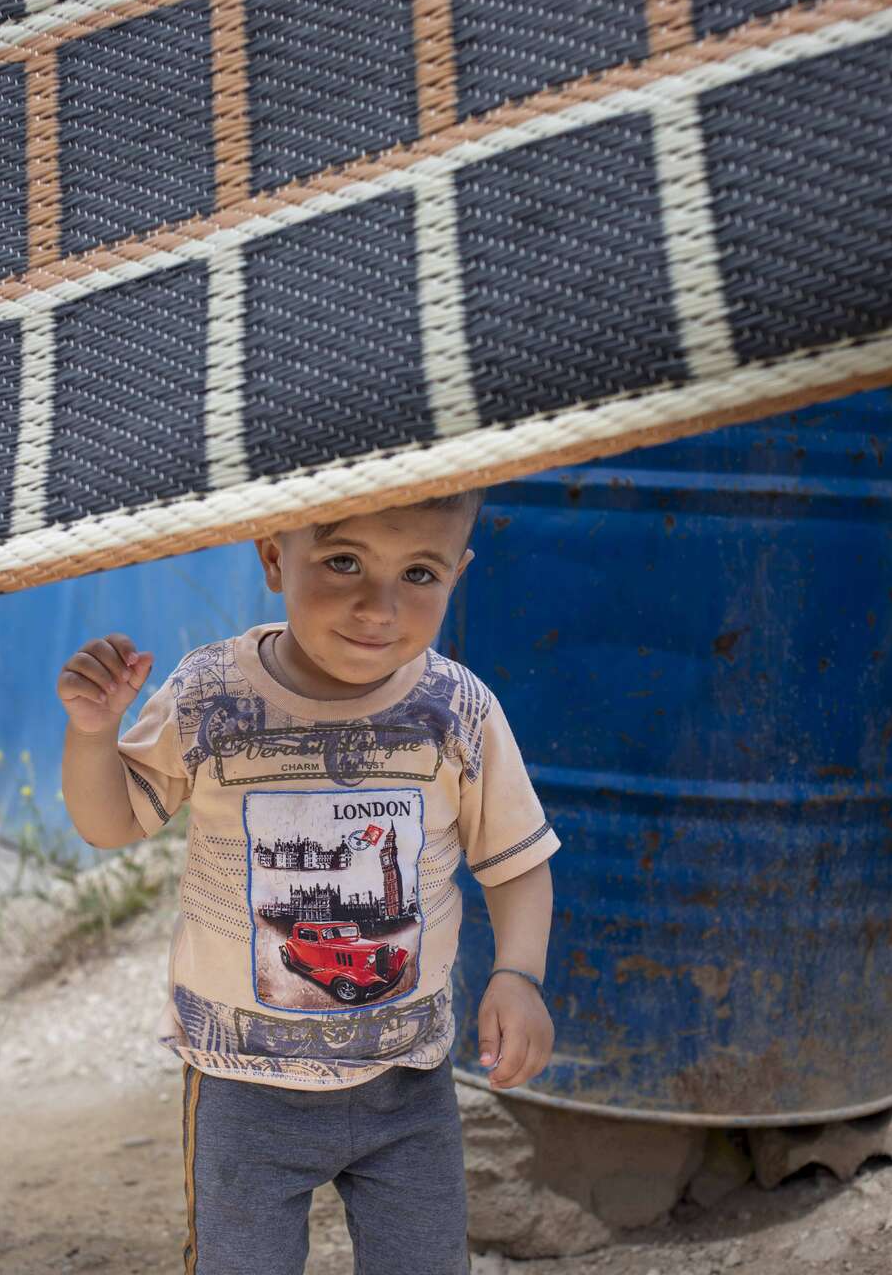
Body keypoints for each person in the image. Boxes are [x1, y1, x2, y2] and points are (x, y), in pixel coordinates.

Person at [58, 490, 559, 1275]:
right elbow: (111, 821)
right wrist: (94, 736)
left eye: (420, 573)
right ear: (271, 555)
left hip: (408, 1083)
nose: (377, 606)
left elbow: (518, 859)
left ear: (458, 575)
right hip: (242, 1087)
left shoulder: (455, 711)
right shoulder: (212, 697)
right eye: (343, 561)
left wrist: (519, 974)